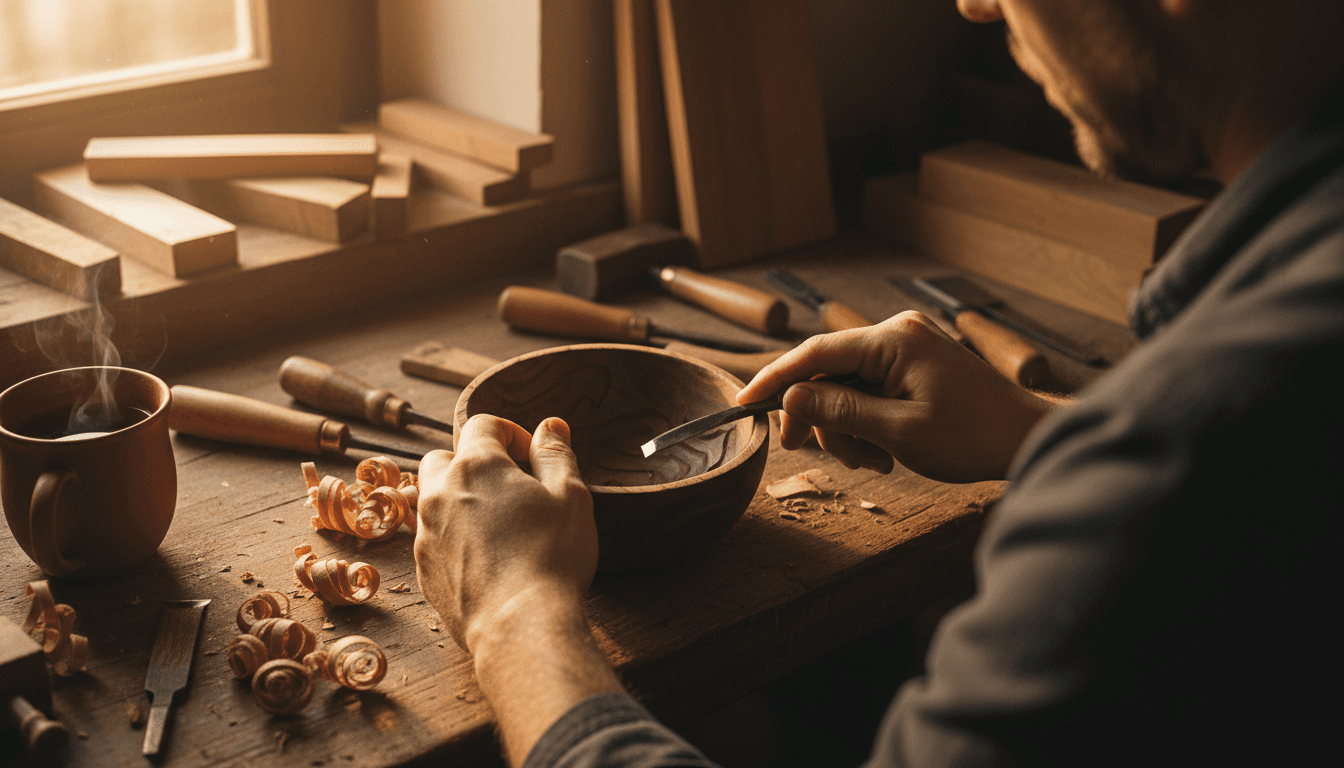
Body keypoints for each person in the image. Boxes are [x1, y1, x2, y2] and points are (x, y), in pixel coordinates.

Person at [413, 0, 1344, 765]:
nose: (975, 6)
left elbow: (1220, 464)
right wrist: (1039, 430)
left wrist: (513, 618)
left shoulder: (1189, 463)